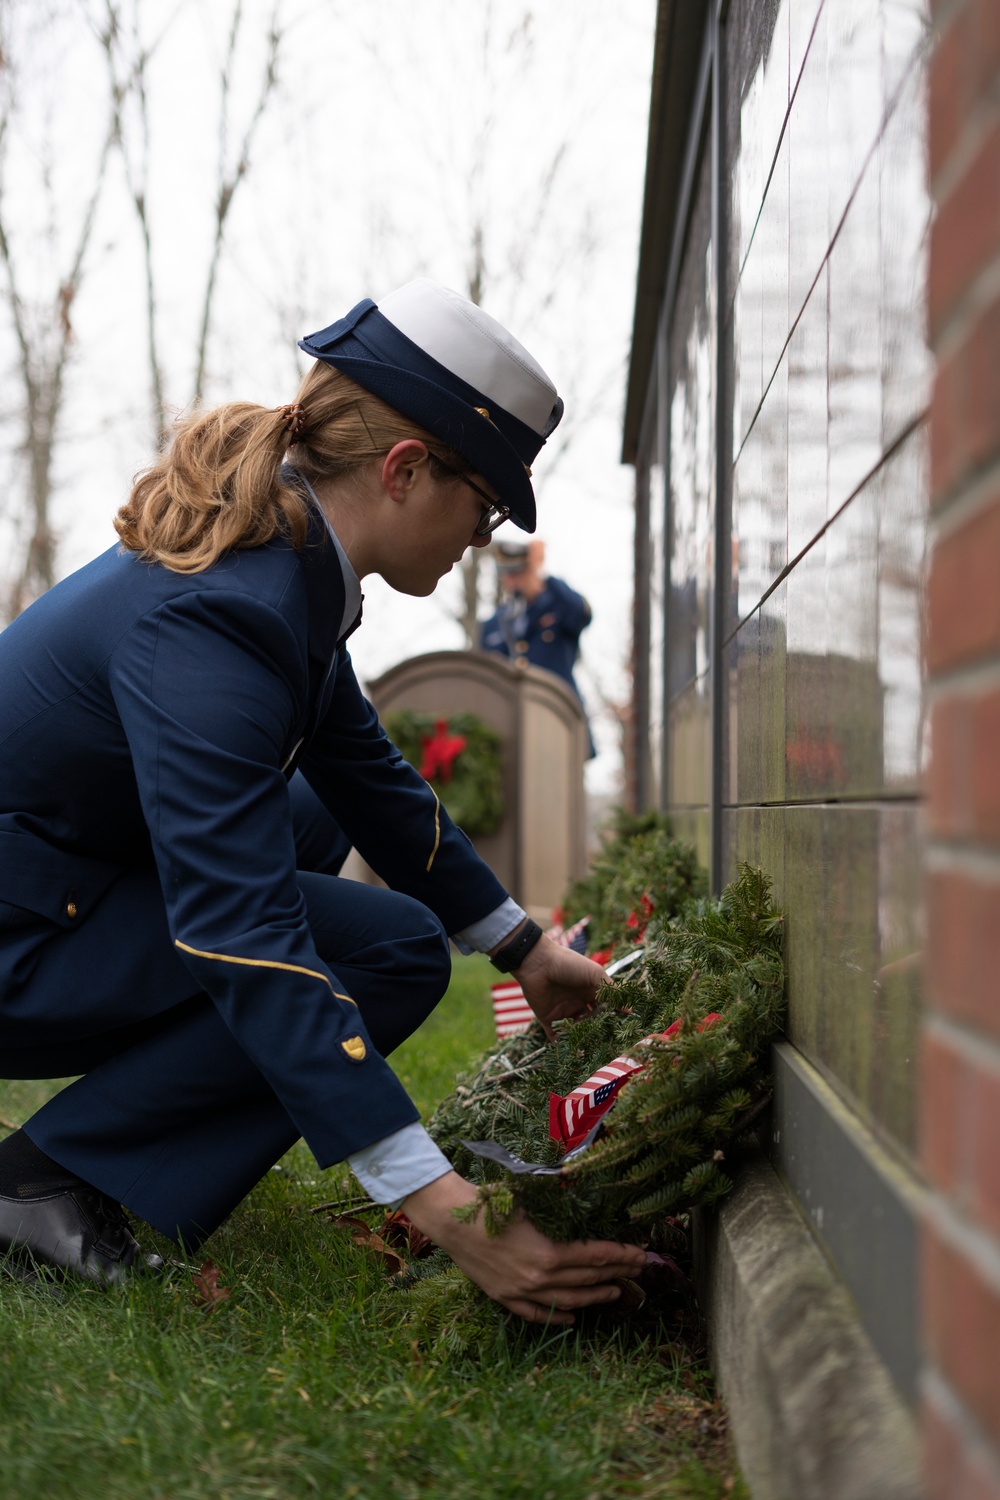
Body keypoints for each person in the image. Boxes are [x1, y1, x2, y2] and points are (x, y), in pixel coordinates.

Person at [0, 278, 644, 1322]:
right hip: (15, 934)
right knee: (380, 950)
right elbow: (239, 930)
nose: (478, 539)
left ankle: (95, 1150)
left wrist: (523, 946)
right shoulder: (224, 613)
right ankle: (51, 1184)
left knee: (316, 806)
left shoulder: (281, 569)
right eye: (479, 507)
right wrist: (448, 1208)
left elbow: (369, 775)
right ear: (402, 470)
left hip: (49, 891)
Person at [479, 537, 595, 755]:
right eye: (508, 573)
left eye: (519, 572)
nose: (513, 581)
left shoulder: (558, 608)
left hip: (559, 717)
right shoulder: (495, 624)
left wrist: (543, 575)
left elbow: (582, 614)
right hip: (514, 727)